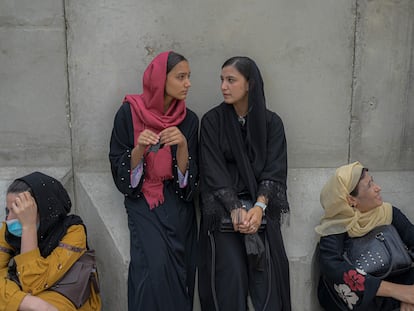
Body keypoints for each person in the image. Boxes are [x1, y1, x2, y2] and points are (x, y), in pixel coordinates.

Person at [198, 56, 291, 311]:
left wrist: (259, 208)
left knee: (267, 285)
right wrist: (235, 208)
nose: (223, 87)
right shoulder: (212, 121)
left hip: (260, 211)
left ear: (249, 84)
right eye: (222, 80)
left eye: (231, 80)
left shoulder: (272, 124)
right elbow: (212, 170)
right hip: (224, 213)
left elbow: (274, 169)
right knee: (230, 282)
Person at [109, 51, 198, 311]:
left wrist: (181, 146)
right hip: (143, 199)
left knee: (181, 269)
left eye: (189, 77)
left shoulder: (189, 120)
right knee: (153, 267)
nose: (188, 83)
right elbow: (118, 165)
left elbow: (189, 183)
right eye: (181, 77)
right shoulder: (128, 113)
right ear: (161, 79)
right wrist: (139, 150)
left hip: (178, 204)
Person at [315, 161, 414, 310]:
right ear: (351, 200)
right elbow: (333, 268)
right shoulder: (337, 226)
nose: (378, 188)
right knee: (342, 284)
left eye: (372, 180)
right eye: (369, 185)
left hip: (399, 280)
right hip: (366, 297)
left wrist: (409, 294)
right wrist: (397, 291)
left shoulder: (388, 213)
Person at [0, 171, 101, 311]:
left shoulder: (73, 231)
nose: (8, 219)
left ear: (41, 209)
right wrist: (27, 302)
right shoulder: (9, 230)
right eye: (7, 211)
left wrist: (28, 227)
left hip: (63, 297)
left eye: (17, 210)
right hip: (31, 300)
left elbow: (34, 282)